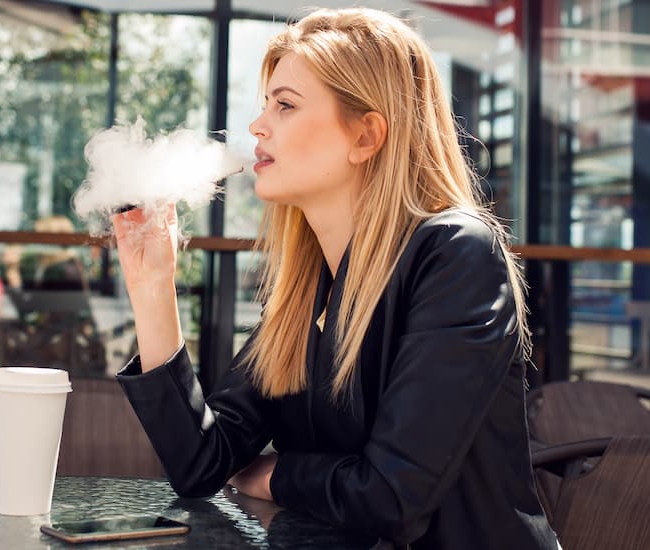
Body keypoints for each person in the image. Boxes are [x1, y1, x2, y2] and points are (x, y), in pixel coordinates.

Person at [109, 8, 558, 549]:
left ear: (366, 136)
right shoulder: (309, 285)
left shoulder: (455, 255)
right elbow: (202, 464)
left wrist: (271, 473)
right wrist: (152, 286)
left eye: (286, 105)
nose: (257, 125)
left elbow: (390, 497)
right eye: (266, 104)